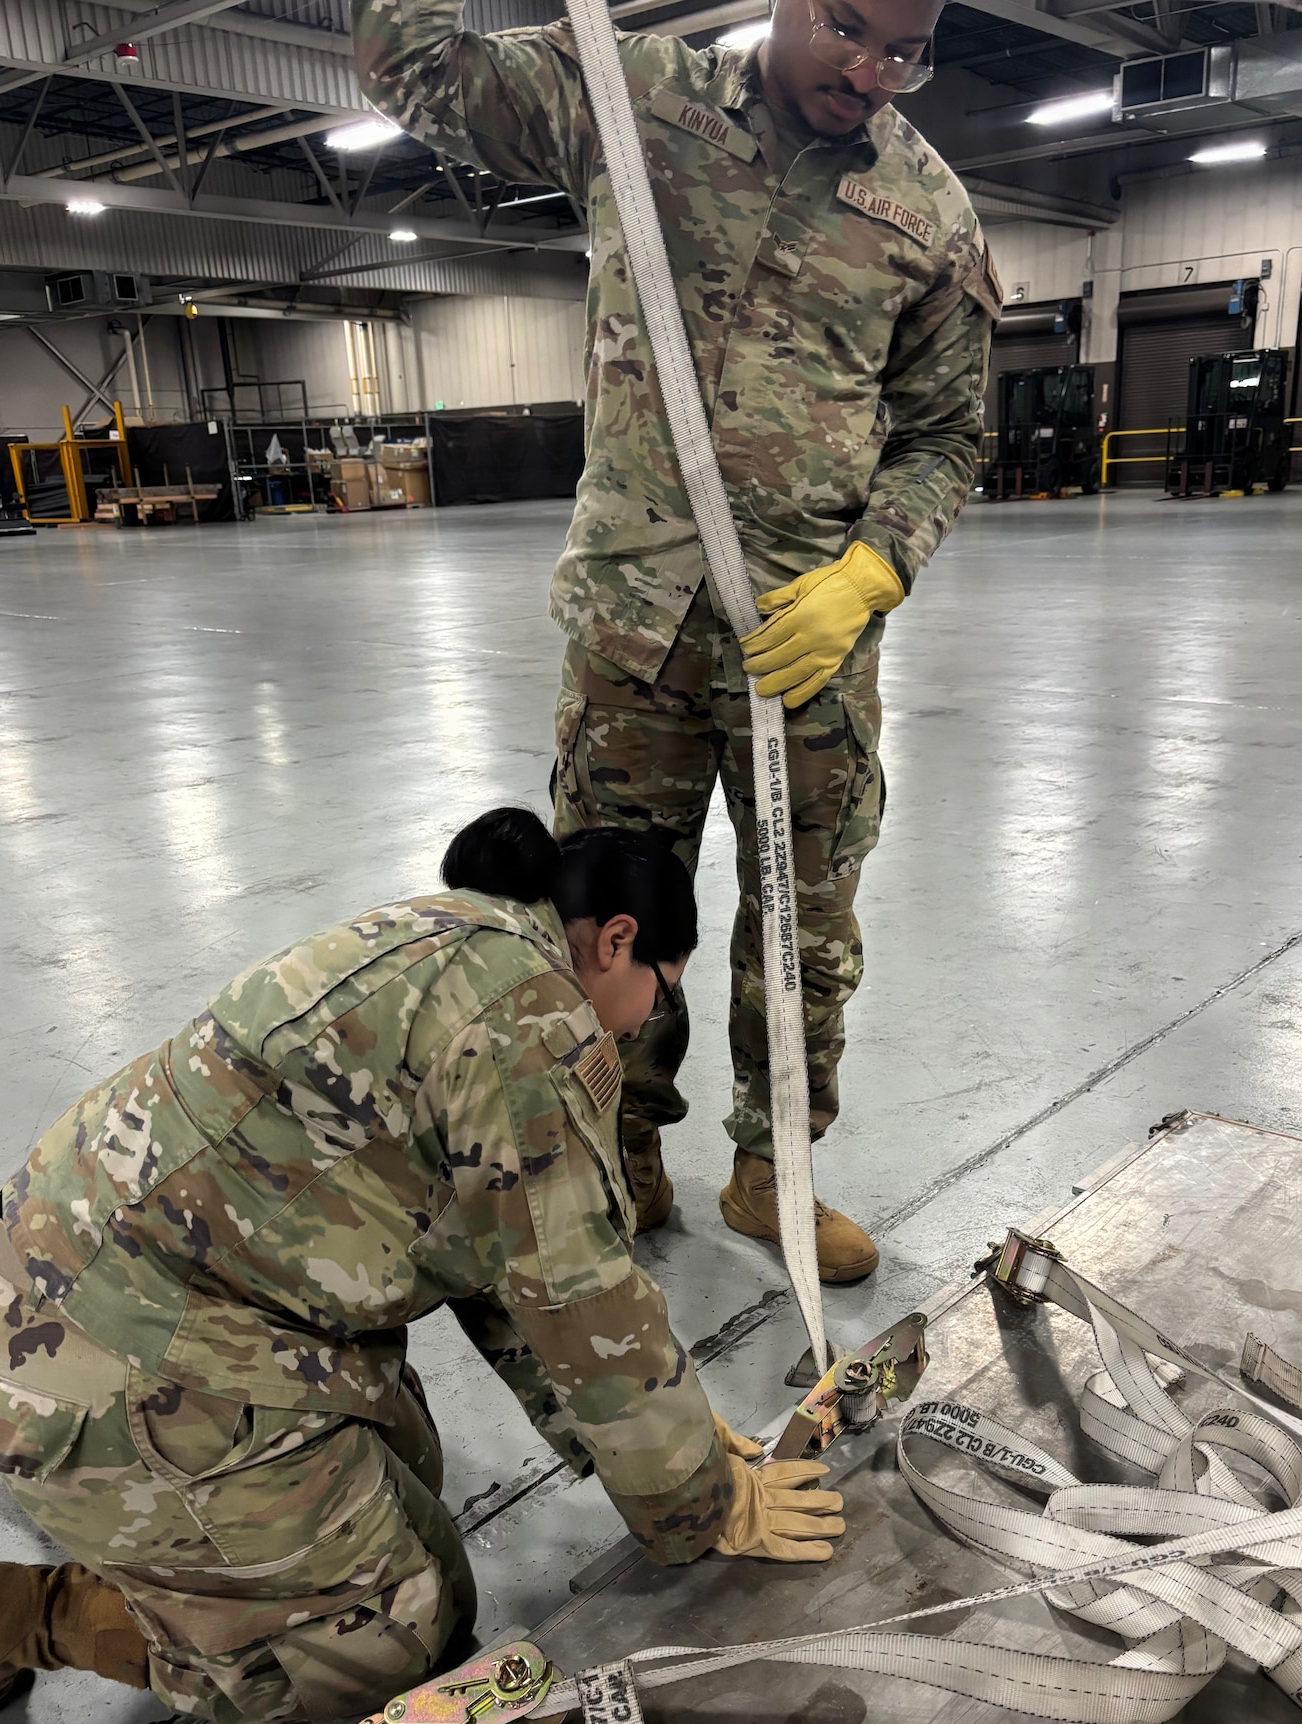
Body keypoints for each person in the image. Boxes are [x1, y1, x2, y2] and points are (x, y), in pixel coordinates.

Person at [0, 810, 842, 1724]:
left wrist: (677, 1428)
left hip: (104, 1279)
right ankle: (33, 1612)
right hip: (126, 1353)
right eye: (664, 993)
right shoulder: (532, 1025)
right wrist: (703, 1509)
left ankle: (144, 1516)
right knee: (400, 1634)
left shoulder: (462, 936)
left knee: (412, 1470)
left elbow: (508, 1272)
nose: (650, 1020)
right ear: (616, 942)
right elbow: (580, 1299)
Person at [353, 0, 1000, 1283]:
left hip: (803, 649)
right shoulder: (629, 96)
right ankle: (621, 1158)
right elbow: (413, 67)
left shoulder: (931, 210)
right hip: (633, 632)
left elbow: (945, 437)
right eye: (852, 32)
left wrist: (872, 572)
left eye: (908, 54)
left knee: (804, 927)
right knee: (601, 916)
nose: (874, 74)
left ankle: (777, 1175)